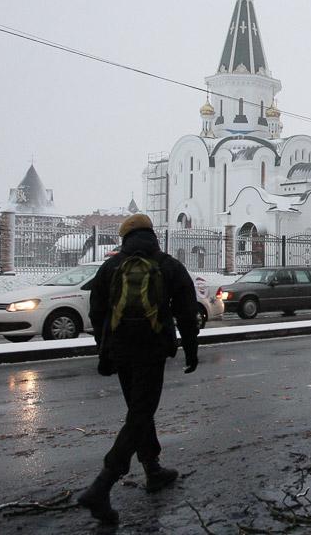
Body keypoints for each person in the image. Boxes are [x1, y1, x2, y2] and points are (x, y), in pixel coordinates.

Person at [78, 213, 200, 524]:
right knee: (141, 414)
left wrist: (103, 353)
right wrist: (190, 349)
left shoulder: (111, 266)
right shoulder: (167, 265)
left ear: (125, 238)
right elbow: (187, 312)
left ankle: (153, 469)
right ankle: (102, 486)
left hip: (120, 350)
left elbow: (98, 313)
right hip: (151, 349)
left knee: (138, 410)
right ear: (152, 235)